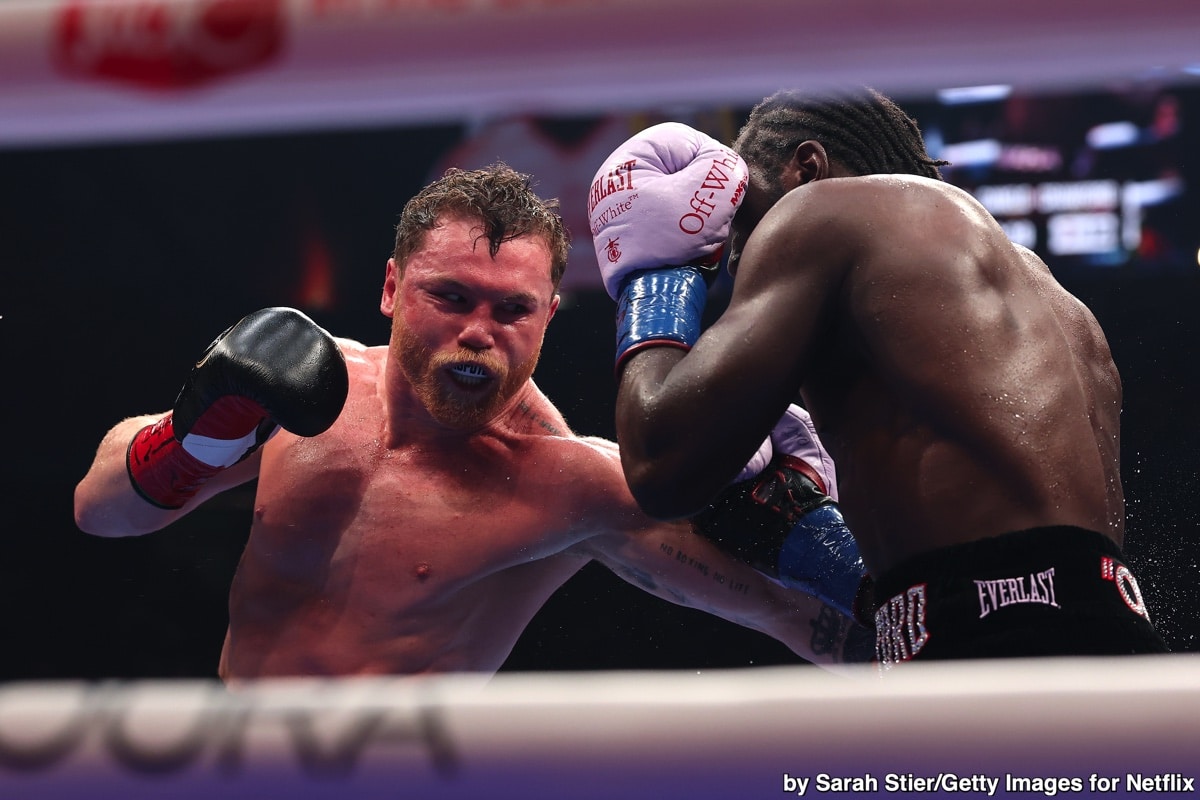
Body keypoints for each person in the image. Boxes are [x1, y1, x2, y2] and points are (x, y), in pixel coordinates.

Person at [74, 163, 870, 681]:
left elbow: (798, 618)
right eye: (450, 297)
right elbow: (102, 513)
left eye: (512, 309)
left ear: (549, 317)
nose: (478, 333)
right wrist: (195, 437)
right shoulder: (309, 392)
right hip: (231, 769)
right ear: (392, 289)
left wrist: (822, 541)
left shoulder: (571, 483)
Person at [586, 88, 1170, 667]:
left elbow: (661, 467)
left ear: (806, 168)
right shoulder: (1059, 302)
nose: (738, 263)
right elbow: (1031, 556)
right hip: (1123, 646)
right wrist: (816, 541)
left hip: (986, 655)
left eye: (744, 232)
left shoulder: (820, 211)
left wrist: (656, 277)